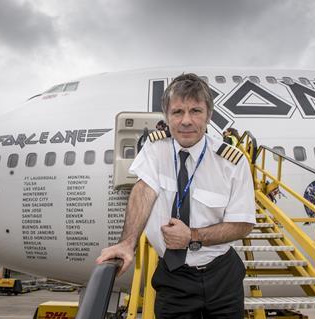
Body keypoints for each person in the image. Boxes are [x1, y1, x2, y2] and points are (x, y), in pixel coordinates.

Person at [97, 73, 256, 318]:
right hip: (174, 278)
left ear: (208, 115)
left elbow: (242, 224)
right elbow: (144, 191)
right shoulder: (155, 149)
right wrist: (127, 243)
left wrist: (191, 237)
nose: (186, 121)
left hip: (222, 276)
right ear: (167, 116)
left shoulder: (231, 161)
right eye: (177, 112)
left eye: (195, 111)